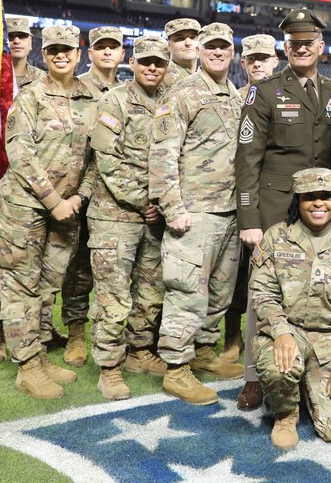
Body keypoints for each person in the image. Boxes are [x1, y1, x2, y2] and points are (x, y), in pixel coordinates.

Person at [234, 10, 331, 410]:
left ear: (320, 47)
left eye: (308, 42)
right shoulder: (263, 92)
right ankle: (253, 377)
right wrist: (249, 221)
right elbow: (247, 162)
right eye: (294, 42)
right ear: (285, 47)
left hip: (320, 211)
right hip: (274, 211)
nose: (301, 48)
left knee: (316, 291)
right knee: (262, 296)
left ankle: (308, 367)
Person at [0, 25, 97, 399]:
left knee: (47, 288)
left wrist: (79, 198)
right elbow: (20, 154)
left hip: (68, 211)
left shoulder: (92, 99)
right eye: (53, 50)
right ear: (45, 55)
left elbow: (97, 158)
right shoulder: (32, 97)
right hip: (25, 208)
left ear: (78, 52)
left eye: (67, 49)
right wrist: (54, 200)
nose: (61, 55)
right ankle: (27, 367)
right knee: (22, 288)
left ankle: (37, 354)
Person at [150, 22, 244, 404]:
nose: (218, 52)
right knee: (186, 292)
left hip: (229, 210)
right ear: (200, 50)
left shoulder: (236, 95)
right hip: (194, 211)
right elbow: (162, 152)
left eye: (225, 46)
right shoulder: (183, 91)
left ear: (232, 51)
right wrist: (172, 207)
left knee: (219, 292)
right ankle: (176, 368)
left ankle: (204, 351)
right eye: (211, 46)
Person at [249, 168, 331, 449]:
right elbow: (262, 292)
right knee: (279, 368)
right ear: (298, 200)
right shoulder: (275, 238)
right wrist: (280, 333)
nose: (319, 203)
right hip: (288, 332)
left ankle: (311, 385)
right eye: (310, 197)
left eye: (326, 196)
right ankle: (285, 413)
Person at [86, 35, 170, 400]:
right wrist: (142, 200)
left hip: (154, 217)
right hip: (115, 216)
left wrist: (161, 204)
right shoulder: (115, 99)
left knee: (151, 292)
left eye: (159, 62)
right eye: (146, 60)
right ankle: (109, 367)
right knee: (113, 296)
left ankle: (139, 352)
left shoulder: (170, 102)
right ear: (132, 63)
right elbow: (106, 159)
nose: (152, 67)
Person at [0, 15, 47, 363]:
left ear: (31, 42)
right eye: (10, 36)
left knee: (33, 268)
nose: (15, 42)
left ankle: (37, 336)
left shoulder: (42, 81)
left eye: (21, 36)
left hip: (32, 189)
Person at [62, 26, 126, 367]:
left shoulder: (130, 90)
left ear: (122, 53)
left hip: (116, 199)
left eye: (113, 47)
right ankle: (75, 332)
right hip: (78, 192)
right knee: (77, 268)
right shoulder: (76, 87)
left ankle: (114, 335)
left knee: (112, 272)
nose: (106, 52)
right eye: (100, 47)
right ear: (89, 53)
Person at [222, 32, 279, 369]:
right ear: (242, 63)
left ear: (275, 60)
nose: (258, 63)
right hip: (234, 199)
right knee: (235, 274)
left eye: (264, 57)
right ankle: (232, 339)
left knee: (272, 275)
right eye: (251, 58)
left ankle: (268, 341)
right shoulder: (231, 99)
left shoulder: (285, 96)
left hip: (271, 199)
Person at [158, 17, 200, 92]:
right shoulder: (160, 78)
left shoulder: (201, 78)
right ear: (169, 46)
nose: (188, 43)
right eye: (180, 38)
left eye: (193, 37)